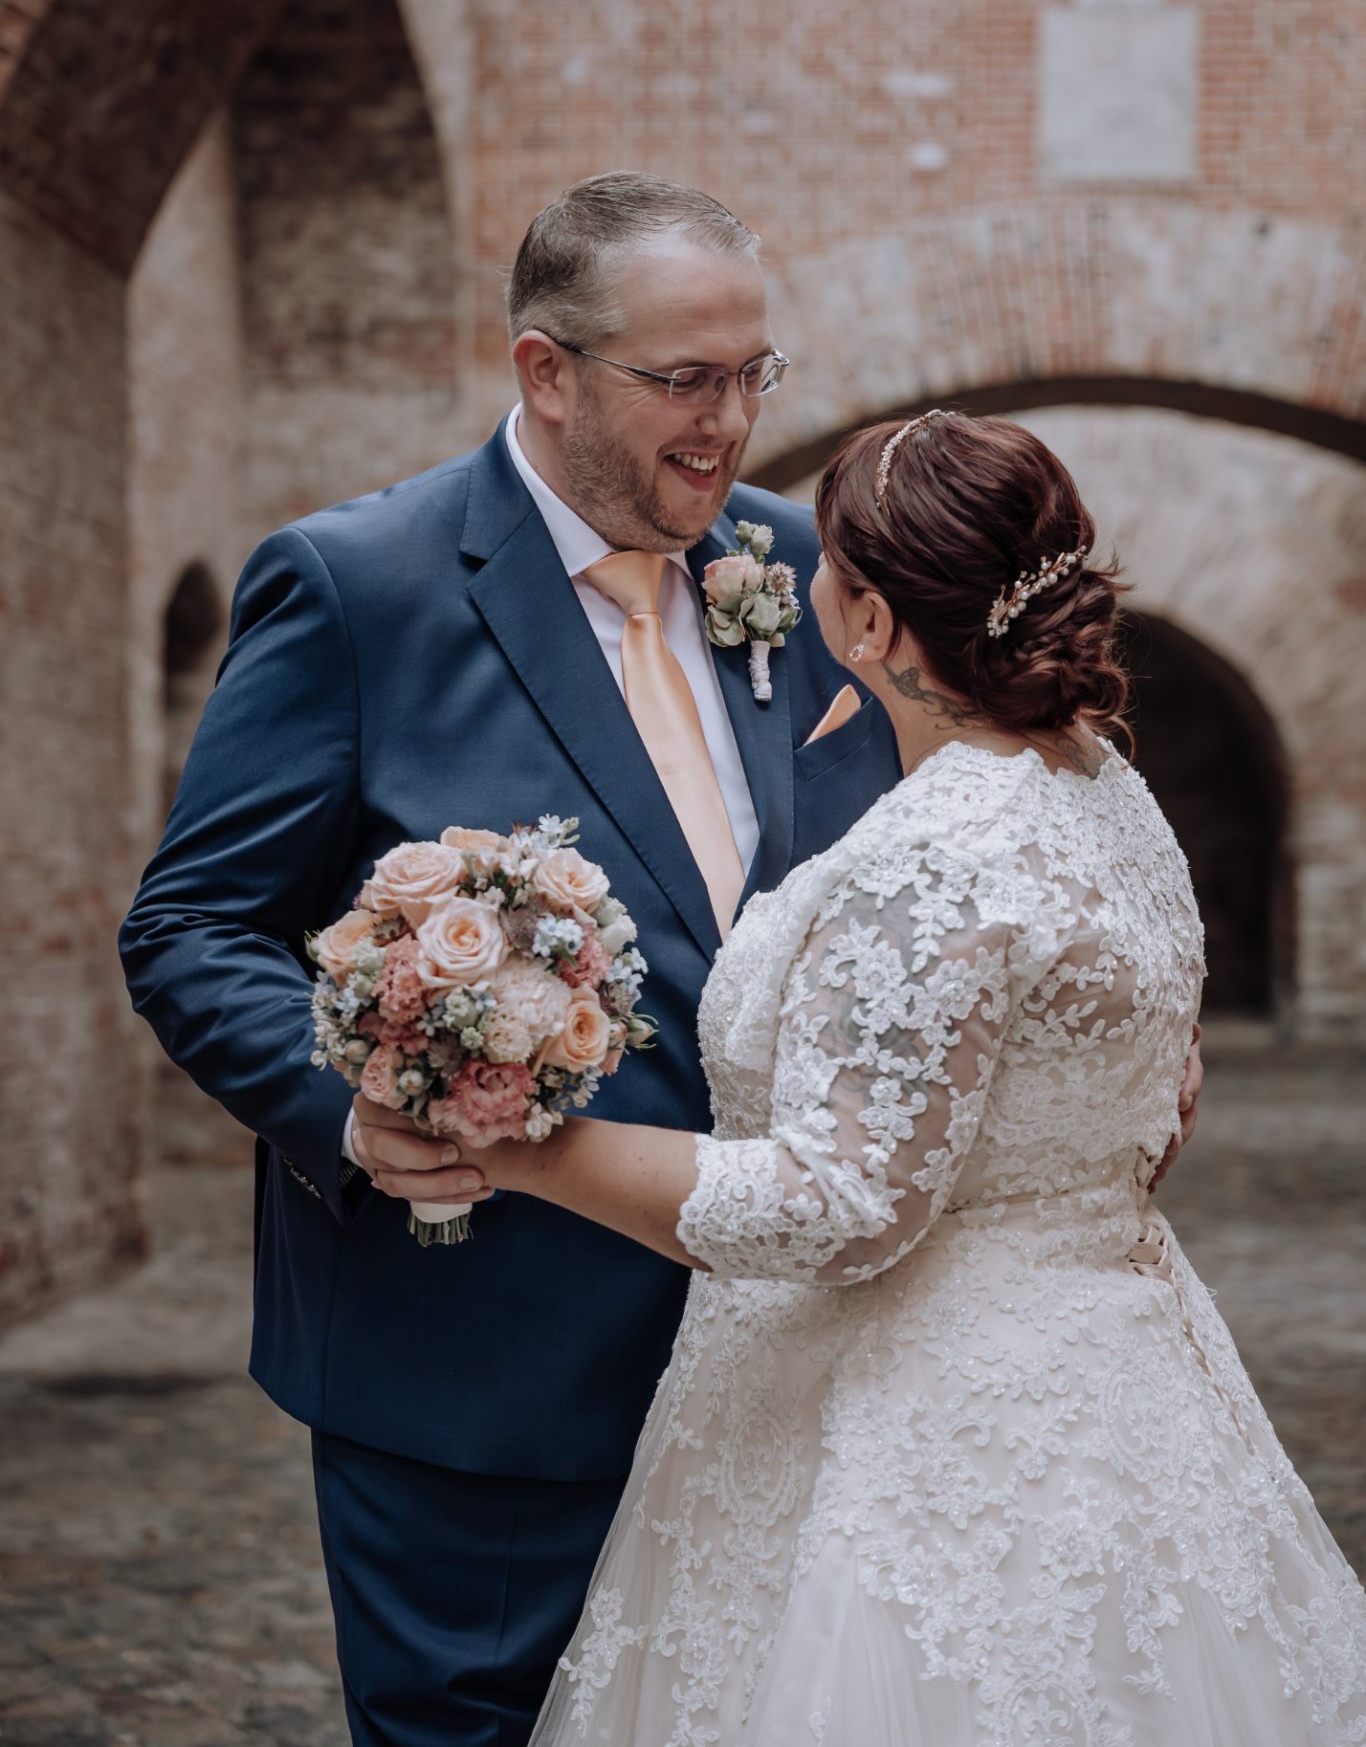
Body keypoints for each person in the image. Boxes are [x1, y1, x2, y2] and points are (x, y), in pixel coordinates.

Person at [119, 175, 1199, 1746]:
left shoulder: (810, 572)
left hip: (811, 1372)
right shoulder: (358, 587)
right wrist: (354, 1115)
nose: (728, 422)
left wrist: (1110, 1047)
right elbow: (191, 924)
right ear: (545, 369)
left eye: (752, 373)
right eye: (681, 379)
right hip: (484, 1367)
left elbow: (978, 870)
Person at [376, 410, 1366, 1745]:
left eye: (832, 568)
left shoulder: (931, 854)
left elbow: (840, 1204)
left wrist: (519, 1143)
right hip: (1114, 1375)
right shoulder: (1100, 784)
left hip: (917, 1428)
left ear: (875, 625)